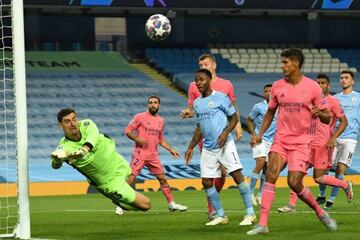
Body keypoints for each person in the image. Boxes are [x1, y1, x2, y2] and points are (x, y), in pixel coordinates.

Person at [246, 48, 337, 235]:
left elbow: (327, 117)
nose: (282, 66)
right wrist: (260, 133)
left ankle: (320, 212)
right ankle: (263, 224)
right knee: (271, 173)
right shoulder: (278, 86)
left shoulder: (313, 87)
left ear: (296, 64)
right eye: (282, 62)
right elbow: (271, 111)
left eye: (285, 62)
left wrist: (320, 113)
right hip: (281, 140)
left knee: (294, 183)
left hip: (303, 143)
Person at [185, 68, 256, 226]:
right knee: (206, 182)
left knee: (237, 177)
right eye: (196, 80)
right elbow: (199, 127)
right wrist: (190, 147)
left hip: (225, 145)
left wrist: (225, 133)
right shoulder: (197, 103)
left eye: (201, 80)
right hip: (209, 148)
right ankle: (221, 215)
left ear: (209, 80)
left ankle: (250, 214)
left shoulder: (221, 98)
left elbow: (234, 117)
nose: (198, 83)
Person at [51, 108, 151, 212]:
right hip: (109, 182)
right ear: (60, 126)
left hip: (117, 162)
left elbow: (92, 136)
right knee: (146, 205)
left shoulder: (87, 124)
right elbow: (55, 163)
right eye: (67, 122)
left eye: (74, 119)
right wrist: (57, 160)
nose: (72, 124)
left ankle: (121, 197)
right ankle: (119, 202)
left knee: (131, 177)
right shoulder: (64, 148)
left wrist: (84, 150)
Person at [277, 73, 352, 213]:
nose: (319, 85)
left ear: (328, 85)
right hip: (305, 144)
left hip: (323, 144)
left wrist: (333, 137)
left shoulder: (333, 102)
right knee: (296, 173)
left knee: (318, 178)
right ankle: (291, 205)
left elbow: (344, 122)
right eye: (317, 82)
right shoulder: (310, 101)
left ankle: (345, 184)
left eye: (323, 83)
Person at [180, 53, 243, 219]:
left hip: (224, 134)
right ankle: (212, 209)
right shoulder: (194, 86)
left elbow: (233, 106)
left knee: (222, 175)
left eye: (205, 64)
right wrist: (188, 112)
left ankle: (213, 207)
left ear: (214, 65)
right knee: (215, 174)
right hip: (207, 137)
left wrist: (238, 125)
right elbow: (194, 108)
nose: (203, 67)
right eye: (200, 64)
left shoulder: (226, 84)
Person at [116, 95, 187, 215]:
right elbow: (127, 130)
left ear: (159, 105)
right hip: (140, 154)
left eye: (155, 103)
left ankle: (172, 204)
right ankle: (119, 204)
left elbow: (160, 140)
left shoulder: (161, 121)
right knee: (130, 178)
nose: (153, 105)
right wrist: (137, 139)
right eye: (151, 103)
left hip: (153, 156)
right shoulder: (140, 117)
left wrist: (171, 149)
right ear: (148, 105)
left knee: (163, 179)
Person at [320, 70, 360, 210]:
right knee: (324, 168)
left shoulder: (358, 98)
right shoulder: (334, 98)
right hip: (334, 137)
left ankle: (330, 201)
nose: (343, 80)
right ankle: (321, 194)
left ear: (352, 81)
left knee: (340, 169)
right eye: (341, 78)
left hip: (350, 138)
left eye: (346, 78)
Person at [247, 84, 277, 206]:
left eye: (271, 91)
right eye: (266, 91)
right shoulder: (258, 107)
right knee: (260, 162)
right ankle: (249, 193)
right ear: (263, 93)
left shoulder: (279, 107)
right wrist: (254, 134)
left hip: (273, 141)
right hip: (260, 139)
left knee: (268, 168)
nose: (268, 93)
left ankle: (260, 195)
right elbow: (249, 120)